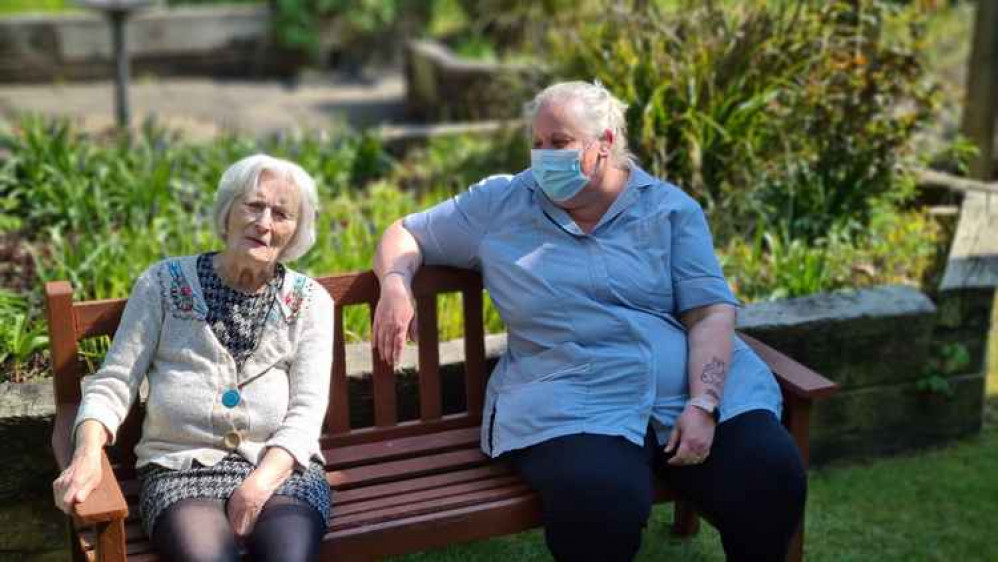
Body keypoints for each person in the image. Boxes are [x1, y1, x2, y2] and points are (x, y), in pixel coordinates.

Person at [372, 81, 806, 562]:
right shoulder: (500, 203)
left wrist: (704, 403)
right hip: (569, 395)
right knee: (599, 503)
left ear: (605, 143)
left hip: (681, 387)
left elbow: (708, 311)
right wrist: (395, 281)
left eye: (559, 143)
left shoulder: (669, 209)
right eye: (537, 143)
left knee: (770, 474)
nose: (543, 157)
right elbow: (405, 232)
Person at [52, 154, 334, 562]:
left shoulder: (310, 302)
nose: (265, 223)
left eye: (281, 213)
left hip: (282, 471)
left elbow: (308, 412)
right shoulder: (164, 284)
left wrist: (256, 487)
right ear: (228, 211)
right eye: (254, 206)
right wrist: (87, 453)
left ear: (295, 232)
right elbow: (114, 381)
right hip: (179, 471)